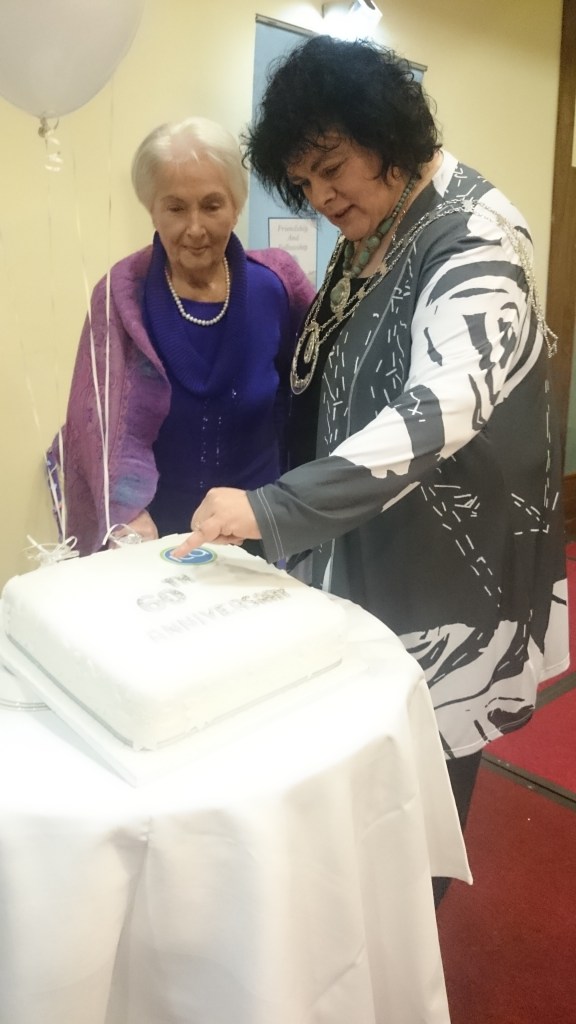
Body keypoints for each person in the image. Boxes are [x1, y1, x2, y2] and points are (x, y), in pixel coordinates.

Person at [173, 37, 569, 901]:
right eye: (303, 185)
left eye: (332, 167)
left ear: (387, 130)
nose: (321, 198)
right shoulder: (382, 225)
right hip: (370, 550)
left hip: (446, 579)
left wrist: (278, 508)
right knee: (366, 794)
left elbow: (443, 407)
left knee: (416, 818)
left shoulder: (473, 231)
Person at [48, 117, 315, 554]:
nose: (195, 228)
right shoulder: (121, 297)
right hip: (154, 539)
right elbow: (95, 425)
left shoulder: (277, 287)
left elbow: (310, 395)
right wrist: (125, 514)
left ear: (236, 204)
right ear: (151, 208)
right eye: (175, 208)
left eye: (212, 205)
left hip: (257, 533)